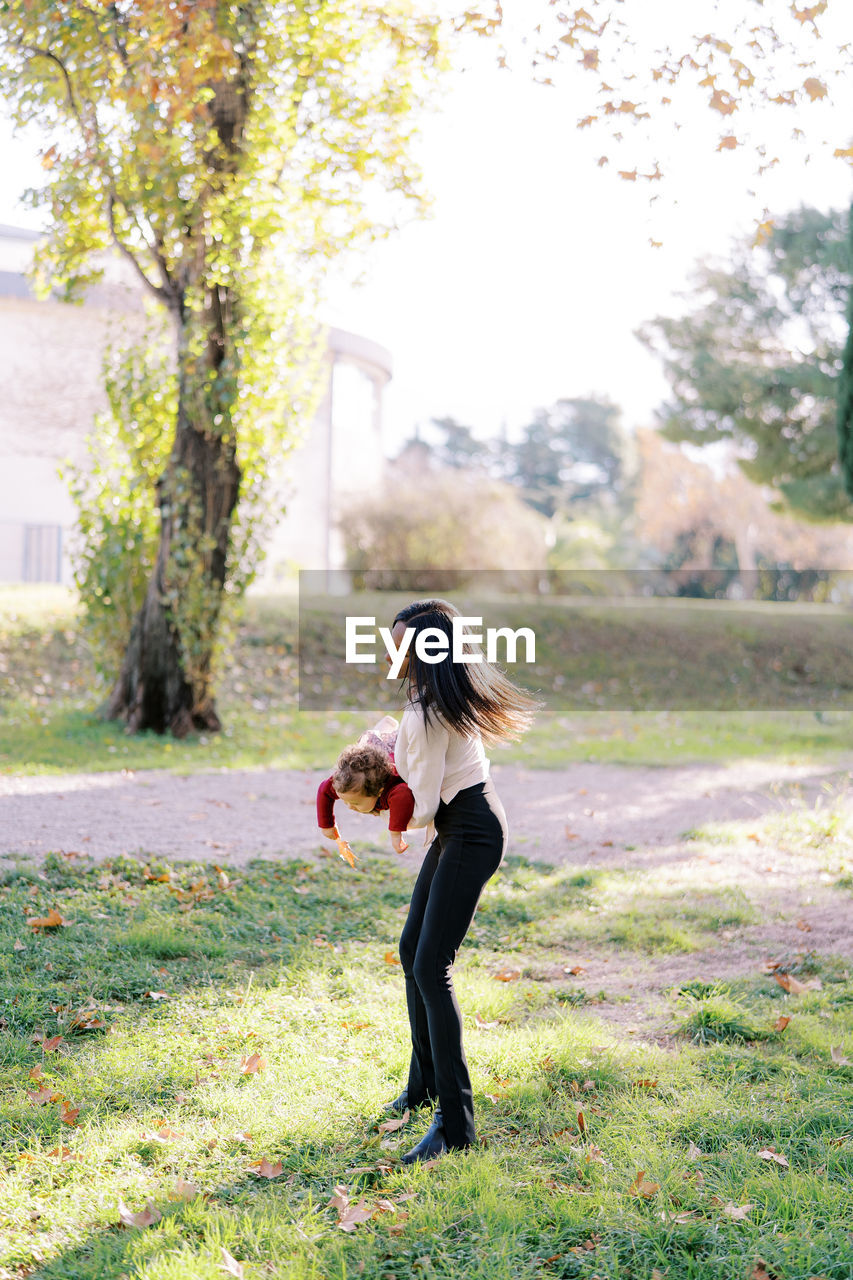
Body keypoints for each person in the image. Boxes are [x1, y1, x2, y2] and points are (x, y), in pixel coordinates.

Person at [381, 598, 538, 1164]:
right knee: (410, 951)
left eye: (401, 642)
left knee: (430, 964)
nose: (392, 651)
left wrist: (379, 803)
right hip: (465, 825)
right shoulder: (442, 695)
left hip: (467, 832)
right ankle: (423, 1087)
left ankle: (455, 1123)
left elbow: (419, 806)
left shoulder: (427, 711)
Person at [317, 733, 414, 857]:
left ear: (379, 791)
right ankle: (381, 731)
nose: (349, 807)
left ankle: (387, 730)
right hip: (370, 753)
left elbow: (403, 794)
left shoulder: (390, 787)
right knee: (370, 743)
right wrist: (327, 825)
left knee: (394, 740)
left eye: (355, 803)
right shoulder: (346, 782)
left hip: (398, 750)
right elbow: (324, 789)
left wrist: (396, 834)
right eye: (345, 801)